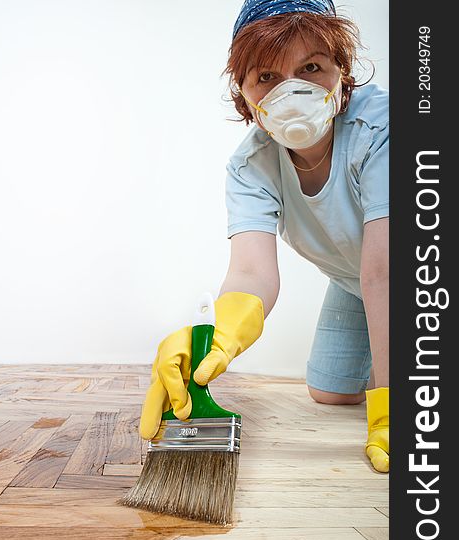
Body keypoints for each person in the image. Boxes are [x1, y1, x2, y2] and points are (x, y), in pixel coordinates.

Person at [139, 0, 389, 473]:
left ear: (343, 72)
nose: (290, 91)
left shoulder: (386, 128)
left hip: (418, 271)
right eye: (267, 77)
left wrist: (394, 403)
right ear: (244, 94)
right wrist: (216, 336)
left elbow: (386, 271)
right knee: (331, 393)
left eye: (311, 67)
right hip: (353, 282)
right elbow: (252, 273)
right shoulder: (250, 164)